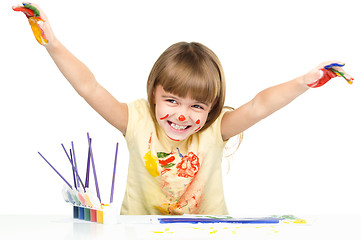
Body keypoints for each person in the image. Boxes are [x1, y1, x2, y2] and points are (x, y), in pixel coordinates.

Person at [14, 3, 353, 215]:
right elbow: (89, 87)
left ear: (211, 110)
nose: (181, 115)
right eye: (172, 100)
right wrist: (53, 45)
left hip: (210, 231)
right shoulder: (135, 121)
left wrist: (303, 82)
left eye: (196, 106)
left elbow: (259, 105)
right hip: (141, 232)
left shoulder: (215, 129)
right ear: (154, 96)